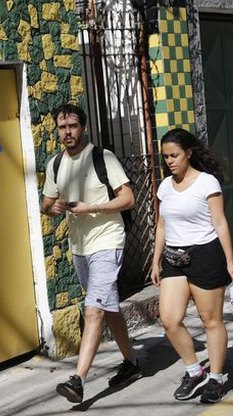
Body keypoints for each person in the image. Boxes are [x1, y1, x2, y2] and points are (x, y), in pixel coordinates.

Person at [42, 103, 140, 404]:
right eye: (62, 127)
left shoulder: (102, 157)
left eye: (72, 126)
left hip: (107, 241)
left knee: (93, 309)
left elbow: (128, 198)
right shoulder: (55, 164)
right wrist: (55, 207)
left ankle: (78, 380)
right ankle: (131, 363)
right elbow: (46, 204)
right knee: (107, 306)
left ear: (83, 127)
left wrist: (93, 207)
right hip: (80, 247)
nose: (67, 132)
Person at [149, 128, 233, 404]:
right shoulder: (165, 186)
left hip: (206, 256)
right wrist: (155, 261)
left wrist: (230, 261)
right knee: (169, 319)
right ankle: (194, 370)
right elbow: (162, 225)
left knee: (210, 320)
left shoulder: (207, 183)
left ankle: (216, 377)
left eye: (174, 155)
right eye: (166, 157)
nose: (170, 161)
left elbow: (220, 222)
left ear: (188, 153)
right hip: (174, 259)